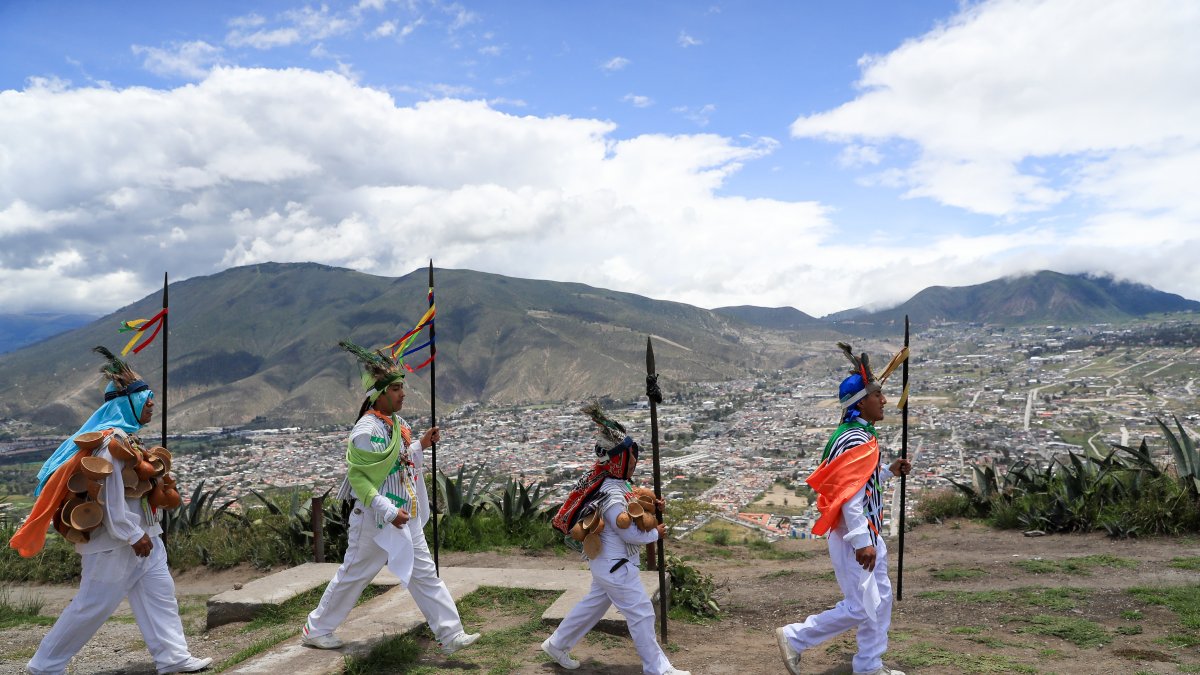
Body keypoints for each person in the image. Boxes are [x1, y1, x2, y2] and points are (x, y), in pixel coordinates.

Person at [12, 347, 211, 675]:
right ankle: (44, 666)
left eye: (150, 399)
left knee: (160, 596)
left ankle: (173, 658)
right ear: (127, 403)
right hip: (116, 542)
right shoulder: (109, 444)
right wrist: (132, 533)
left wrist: (146, 528)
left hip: (145, 536)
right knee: (92, 606)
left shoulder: (128, 440)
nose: (151, 405)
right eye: (146, 400)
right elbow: (110, 494)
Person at [301, 340, 480, 655]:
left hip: (405, 517)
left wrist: (420, 445)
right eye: (396, 388)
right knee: (354, 576)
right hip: (374, 521)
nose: (403, 393)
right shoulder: (365, 432)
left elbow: (399, 461)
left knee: (424, 574)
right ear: (379, 394)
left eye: (402, 387)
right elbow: (359, 480)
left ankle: (451, 634)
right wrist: (386, 510)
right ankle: (315, 629)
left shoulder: (400, 425)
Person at [776, 343, 912, 675]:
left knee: (878, 600)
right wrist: (861, 540)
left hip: (867, 531)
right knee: (862, 605)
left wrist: (887, 471)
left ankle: (869, 664)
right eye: (877, 395)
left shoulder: (861, 434)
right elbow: (849, 495)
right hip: (856, 535)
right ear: (860, 402)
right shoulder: (854, 438)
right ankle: (795, 637)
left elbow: (859, 479)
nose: (883, 400)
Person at [541, 403, 690, 675]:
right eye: (632, 457)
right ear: (620, 460)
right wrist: (656, 532)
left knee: (592, 606)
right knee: (642, 613)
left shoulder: (616, 485)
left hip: (608, 564)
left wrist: (653, 507)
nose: (635, 461)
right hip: (616, 565)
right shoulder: (612, 494)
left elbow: (634, 513)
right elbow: (628, 532)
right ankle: (658, 669)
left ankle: (557, 644)